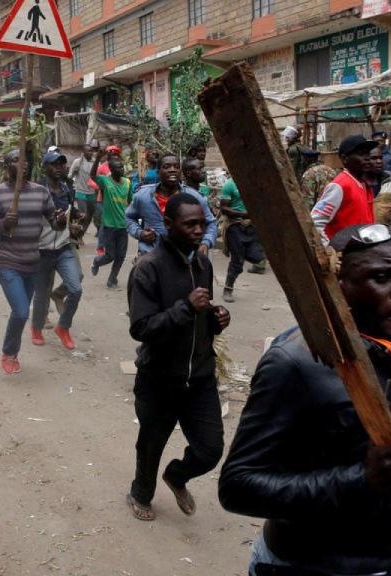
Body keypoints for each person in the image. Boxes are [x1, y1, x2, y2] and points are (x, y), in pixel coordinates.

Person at [221, 223, 391, 575]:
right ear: (338, 287)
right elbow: (238, 487)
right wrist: (361, 480)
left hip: (390, 561)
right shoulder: (294, 363)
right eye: (382, 277)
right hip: (307, 565)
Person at [126, 192, 231, 522]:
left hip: (198, 376)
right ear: (168, 225)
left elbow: (202, 320)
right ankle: (140, 493)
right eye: (190, 225)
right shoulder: (147, 269)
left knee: (211, 449)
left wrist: (216, 319)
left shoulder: (203, 263)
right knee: (151, 443)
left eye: (202, 223)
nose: (200, 230)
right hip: (158, 378)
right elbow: (141, 328)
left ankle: (177, 475)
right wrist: (185, 308)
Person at [0, 149, 65, 375]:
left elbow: (54, 223)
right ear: (6, 166)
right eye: (16, 160)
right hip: (8, 263)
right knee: (21, 312)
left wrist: (63, 221)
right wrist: (2, 225)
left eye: (25, 160)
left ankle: (12, 352)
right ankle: (9, 352)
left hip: (33, 264)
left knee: (22, 311)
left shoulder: (40, 192)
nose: (23, 164)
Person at [30, 150, 83, 350]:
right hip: (41, 250)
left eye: (61, 164)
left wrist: (74, 222)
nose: (59, 167)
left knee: (76, 288)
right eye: (54, 164)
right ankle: (36, 329)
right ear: (45, 167)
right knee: (41, 294)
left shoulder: (66, 189)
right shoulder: (36, 190)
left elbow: (69, 213)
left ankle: (63, 327)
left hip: (62, 247)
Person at [125, 154, 218, 256]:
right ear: (158, 172)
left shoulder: (194, 197)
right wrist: (140, 233)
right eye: (167, 167)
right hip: (151, 258)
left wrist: (205, 243)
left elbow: (211, 223)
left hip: (185, 260)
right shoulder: (143, 196)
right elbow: (129, 218)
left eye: (176, 167)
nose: (172, 170)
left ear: (180, 172)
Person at [311, 135, 378, 246]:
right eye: (361, 154)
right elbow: (316, 221)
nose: (367, 158)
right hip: (346, 255)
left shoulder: (364, 184)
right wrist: (329, 250)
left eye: (368, 154)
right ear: (345, 158)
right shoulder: (340, 186)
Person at [89, 149, 133, 288]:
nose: (121, 169)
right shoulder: (105, 181)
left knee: (121, 256)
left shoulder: (127, 183)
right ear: (111, 170)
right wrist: (97, 159)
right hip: (109, 226)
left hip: (122, 226)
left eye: (122, 167)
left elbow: (130, 201)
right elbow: (92, 175)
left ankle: (111, 279)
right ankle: (96, 262)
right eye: (118, 168)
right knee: (110, 256)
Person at [218, 178, 266, 303]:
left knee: (257, 257)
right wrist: (244, 214)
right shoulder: (229, 185)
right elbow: (223, 208)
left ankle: (247, 258)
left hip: (251, 225)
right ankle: (227, 289)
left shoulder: (255, 183)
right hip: (234, 226)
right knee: (237, 262)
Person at [69, 141, 101, 238]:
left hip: (92, 193)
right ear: (83, 152)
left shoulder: (96, 162)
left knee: (90, 216)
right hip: (80, 192)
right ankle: (78, 236)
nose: (90, 153)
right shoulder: (77, 162)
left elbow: (99, 176)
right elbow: (70, 175)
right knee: (84, 215)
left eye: (91, 151)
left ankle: (81, 234)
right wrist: (72, 179)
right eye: (88, 151)